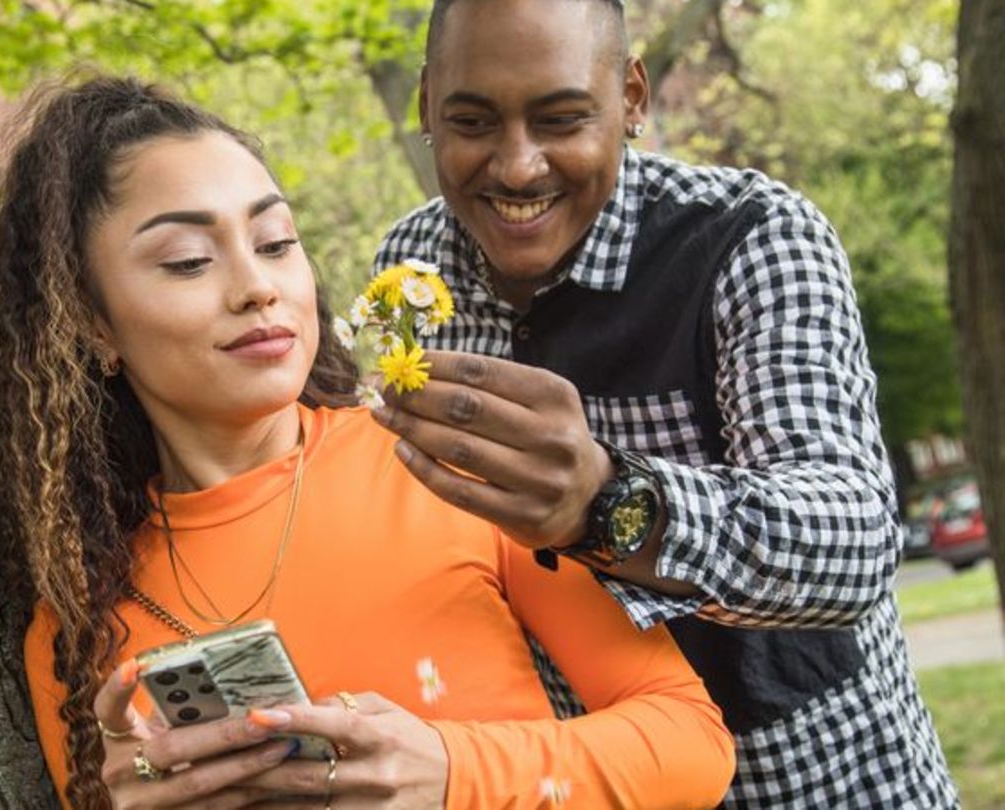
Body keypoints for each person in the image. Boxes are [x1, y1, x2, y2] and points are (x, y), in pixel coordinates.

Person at [0, 75, 735, 809]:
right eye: (188, 261)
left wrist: (452, 772)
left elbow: (692, 744)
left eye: (274, 242)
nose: (257, 286)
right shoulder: (79, 620)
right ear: (92, 324)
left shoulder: (448, 471)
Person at [371, 0, 958, 806]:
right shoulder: (410, 271)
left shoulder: (753, 237)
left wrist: (608, 503)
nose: (516, 166)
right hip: (587, 778)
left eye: (561, 118)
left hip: (811, 775)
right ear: (426, 104)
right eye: (472, 120)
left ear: (632, 99)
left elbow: (853, 543)